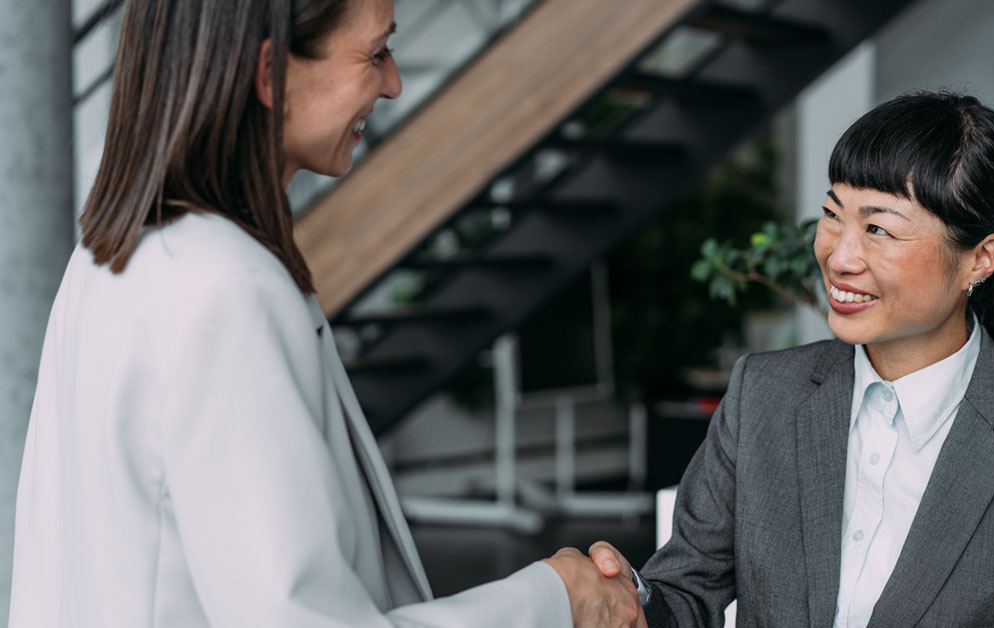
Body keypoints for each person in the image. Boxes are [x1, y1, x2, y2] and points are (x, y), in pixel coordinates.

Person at [8, 1, 640, 626]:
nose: (393, 84)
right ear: (269, 75)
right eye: (376, 53)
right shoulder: (223, 290)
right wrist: (559, 597)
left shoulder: (105, 259)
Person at [589, 92, 994, 627]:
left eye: (879, 229)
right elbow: (683, 594)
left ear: (981, 258)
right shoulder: (763, 396)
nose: (839, 256)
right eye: (832, 214)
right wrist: (626, 603)